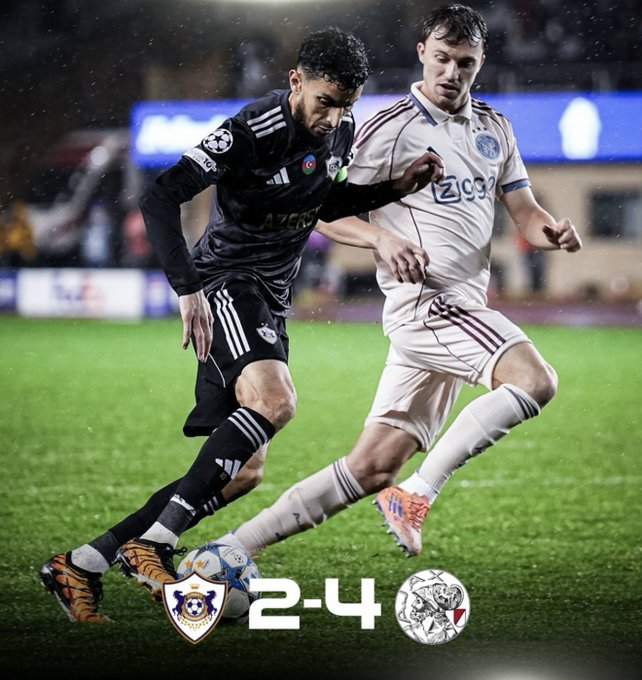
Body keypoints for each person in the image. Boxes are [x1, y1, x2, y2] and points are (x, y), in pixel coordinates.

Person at [39, 27, 443, 623]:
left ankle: (82, 563)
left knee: (242, 473)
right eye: (325, 102)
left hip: (269, 299)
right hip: (227, 281)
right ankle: (154, 545)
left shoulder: (341, 130)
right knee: (277, 402)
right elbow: (160, 195)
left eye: (345, 105)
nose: (333, 118)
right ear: (296, 81)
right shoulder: (251, 130)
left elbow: (321, 204)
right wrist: (187, 288)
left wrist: (393, 187)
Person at [213, 4, 582, 562]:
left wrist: (549, 231)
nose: (452, 73)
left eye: (465, 63)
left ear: (480, 62)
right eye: (442, 58)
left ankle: (231, 549)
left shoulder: (494, 127)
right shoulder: (388, 129)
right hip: (428, 305)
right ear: (422, 53)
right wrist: (381, 239)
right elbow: (321, 210)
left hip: (460, 308)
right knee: (535, 381)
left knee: (371, 467)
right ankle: (417, 495)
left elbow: (524, 210)